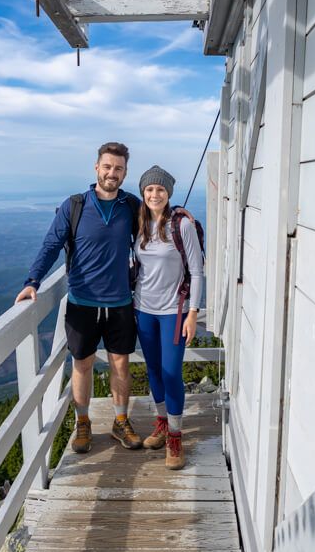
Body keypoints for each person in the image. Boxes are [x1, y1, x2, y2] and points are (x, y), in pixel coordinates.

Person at [15, 142, 145, 453]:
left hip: (120, 303)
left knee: (120, 365)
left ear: (125, 173)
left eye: (119, 169)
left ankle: (120, 421)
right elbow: (51, 245)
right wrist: (33, 280)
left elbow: (155, 230)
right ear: (96, 167)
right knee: (82, 365)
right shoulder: (74, 205)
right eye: (107, 166)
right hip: (82, 302)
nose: (112, 173)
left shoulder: (131, 205)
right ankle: (83, 423)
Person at [131, 166, 204, 471]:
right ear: (143, 193)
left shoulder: (182, 225)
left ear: (169, 193)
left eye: (160, 189)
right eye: (149, 189)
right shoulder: (138, 224)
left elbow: (198, 272)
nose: (154, 194)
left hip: (174, 310)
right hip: (143, 308)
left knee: (172, 372)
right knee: (154, 371)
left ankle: (175, 436)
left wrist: (193, 313)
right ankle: (162, 423)